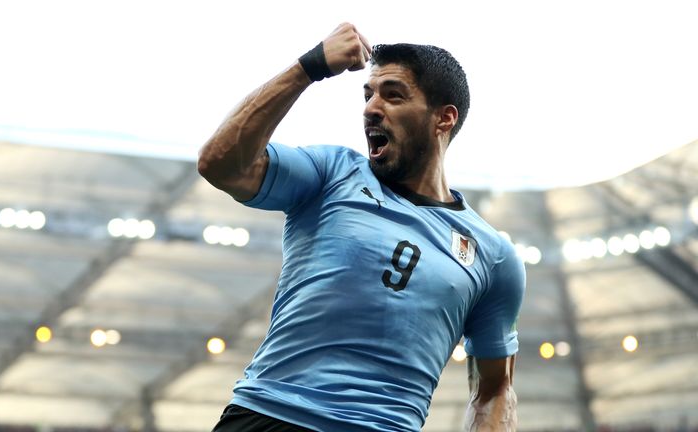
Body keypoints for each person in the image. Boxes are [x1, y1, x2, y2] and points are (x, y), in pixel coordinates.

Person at [199, 22, 525, 432]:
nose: (371, 108)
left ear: (443, 119)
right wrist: (308, 67)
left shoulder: (493, 256)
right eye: (368, 94)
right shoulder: (332, 173)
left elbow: (494, 390)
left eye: (393, 95)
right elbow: (221, 165)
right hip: (270, 415)